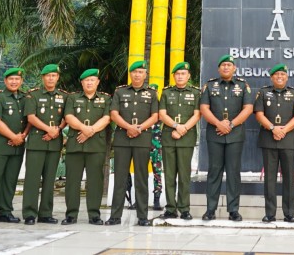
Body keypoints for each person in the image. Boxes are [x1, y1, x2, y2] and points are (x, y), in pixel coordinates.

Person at [199, 54, 254, 221]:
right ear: (218, 68)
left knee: (233, 172)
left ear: (234, 68)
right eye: (223, 65)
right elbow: (204, 108)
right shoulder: (209, 85)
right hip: (214, 134)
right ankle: (210, 210)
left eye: (229, 65)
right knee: (214, 172)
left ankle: (233, 210)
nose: (226, 67)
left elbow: (248, 109)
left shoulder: (243, 85)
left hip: (235, 134)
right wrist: (219, 124)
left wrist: (230, 125)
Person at [107, 60, 160, 226]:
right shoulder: (120, 91)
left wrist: (139, 128)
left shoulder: (151, 93)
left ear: (145, 75)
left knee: (142, 178)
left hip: (142, 139)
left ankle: (143, 217)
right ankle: (115, 216)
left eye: (141, 72)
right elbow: (114, 113)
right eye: (134, 72)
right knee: (120, 179)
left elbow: (155, 116)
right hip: (123, 138)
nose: (137, 75)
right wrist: (129, 127)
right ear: (130, 74)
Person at [254, 64, 294, 223]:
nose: (280, 77)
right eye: (276, 75)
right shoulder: (263, 92)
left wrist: (283, 130)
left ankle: (289, 213)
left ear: (287, 77)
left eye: (283, 74)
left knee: (289, 178)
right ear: (271, 77)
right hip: (268, 139)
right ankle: (270, 213)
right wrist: (273, 128)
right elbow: (259, 114)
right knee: (269, 179)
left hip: (288, 140)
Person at [63, 68, 111, 225]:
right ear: (82, 82)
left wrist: (90, 131)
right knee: (72, 181)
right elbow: (69, 117)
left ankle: (94, 215)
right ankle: (71, 214)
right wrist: (84, 129)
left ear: (97, 82)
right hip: (75, 144)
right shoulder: (73, 98)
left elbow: (107, 118)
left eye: (92, 80)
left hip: (96, 145)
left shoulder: (105, 99)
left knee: (95, 181)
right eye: (86, 80)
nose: (89, 83)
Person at [0, 67, 29, 225]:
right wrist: (13, 137)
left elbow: (29, 119)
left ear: (21, 81)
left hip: (17, 146)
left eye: (17, 79)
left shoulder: (25, 98)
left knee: (10, 180)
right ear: (5, 81)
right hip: (0, 146)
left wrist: (22, 136)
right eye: (11, 79)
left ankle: (6, 211)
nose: (14, 82)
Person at [22, 63, 67, 225]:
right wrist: (49, 129)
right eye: (48, 76)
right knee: (32, 179)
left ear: (57, 78)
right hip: (36, 142)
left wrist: (58, 129)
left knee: (50, 180)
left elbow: (66, 117)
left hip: (54, 143)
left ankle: (46, 213)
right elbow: (31, 118)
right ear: (43, 78)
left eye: (54, 75)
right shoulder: (32, 95)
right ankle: (29, 213)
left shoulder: (64, 96)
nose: (51, 78)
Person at [158, 61, 201, 220]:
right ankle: (170, 208)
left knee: (184, 175)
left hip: (186, 138)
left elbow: (197, 114)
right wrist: (176, 126)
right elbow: (162, 114)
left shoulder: (196, 93)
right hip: (169, 137)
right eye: (178, 74)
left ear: (188, 76)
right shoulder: (166, 92)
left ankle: (184, 209)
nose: (180, 76)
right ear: (174, 76)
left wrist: (183, 129)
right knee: (169, 175)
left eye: (183, 74)